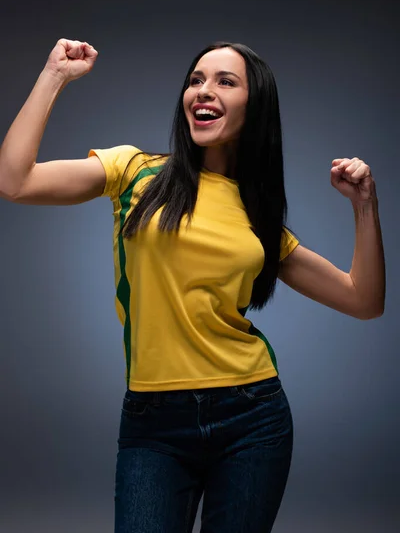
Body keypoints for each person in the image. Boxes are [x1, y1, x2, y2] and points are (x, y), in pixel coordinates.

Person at [0, 39, 385, 533]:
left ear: (256, 104)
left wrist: (364, 206)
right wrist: (54, 75)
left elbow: (364, 300)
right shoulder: (136, 172)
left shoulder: (258, 219)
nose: (203, 91)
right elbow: (15, 180)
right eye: (196, 79)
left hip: (252, 415)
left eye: (226, 81)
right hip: (153, 422)